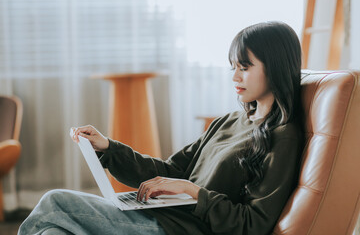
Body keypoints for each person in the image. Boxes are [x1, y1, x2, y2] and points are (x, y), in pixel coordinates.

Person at [18, 21, 303, 235]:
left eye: (245, 67)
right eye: (234, 67)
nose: (235, 77)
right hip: (164, 218)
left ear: (275, 67)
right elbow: (167, 173)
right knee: (52, 232)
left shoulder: (283, 137)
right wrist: (108, 148)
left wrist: (193, 192)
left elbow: (253, 224)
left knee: (54, 201)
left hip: (179, 230)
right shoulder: (228, 121)